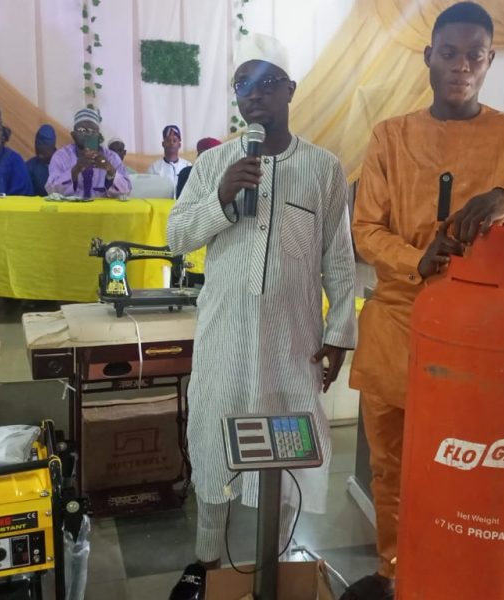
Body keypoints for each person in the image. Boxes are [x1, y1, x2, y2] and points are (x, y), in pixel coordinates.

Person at [345, 4, 504, 599]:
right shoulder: (391, 136)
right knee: (392, 467)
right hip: (397, 325)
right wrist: (415, 260)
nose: (462, 66)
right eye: (450, 53)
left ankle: (460, 577)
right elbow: (365, 228)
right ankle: (396, 573)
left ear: (490, 60)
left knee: (470, 465)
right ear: (429, 57)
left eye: (475, 55)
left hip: (482, 343)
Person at [165, 33, 356, 600]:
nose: (253, 94)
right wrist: (220, 199)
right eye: (242, 84)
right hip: (223, 339)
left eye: (266, 81)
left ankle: (278, 561)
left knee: (287, 453)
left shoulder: (323, 168)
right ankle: (205, 563)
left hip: (291, 347)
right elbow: (177, 238)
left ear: (290, 90)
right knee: (212, 447)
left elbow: (338, 260)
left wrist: (339, 333)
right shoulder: (213, 164)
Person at [46, 108, 132, 199]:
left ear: (98, 135)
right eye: (82, 130)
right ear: (73, 135)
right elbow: (51, 190)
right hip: (71, 207)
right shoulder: (61, 157)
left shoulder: (111, 157)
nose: (87, 134)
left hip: (103, 208)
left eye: (92, 130)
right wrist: (76, 169)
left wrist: (110, 170)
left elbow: (126, 191)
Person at [147, 124, 192, 196]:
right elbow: (149, 191)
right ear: (163, 144)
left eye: (174, 140)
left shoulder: (187, 166)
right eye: (168, 140)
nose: (171, 143)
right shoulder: (154, 168)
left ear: (179, 145)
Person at [25, 124, 57, 196]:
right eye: (37, 152)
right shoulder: (29, 168)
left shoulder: (66, 165)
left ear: (52, 148)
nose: (39, 156)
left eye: (43, 153)